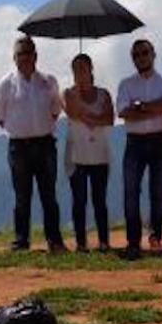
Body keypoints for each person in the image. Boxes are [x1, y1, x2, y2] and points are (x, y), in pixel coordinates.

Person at [0, 36, 65, 252]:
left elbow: (56, 109)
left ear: (36, 56)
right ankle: (21, 240)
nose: (24, 58)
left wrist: (39, 128)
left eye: (28, 53)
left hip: (45, 144)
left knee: (48, 195)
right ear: (14, 58)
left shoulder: (48, 81)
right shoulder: (5, 84)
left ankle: (54, 240)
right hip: (19, 147)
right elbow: (0, 116)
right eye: (20, 54)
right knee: (22, 196)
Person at [116, 39, 162, 260]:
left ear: (153, 54)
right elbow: (122, 112)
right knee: (131, 191)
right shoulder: (126, 84)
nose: (140, 58)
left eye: (144, 53)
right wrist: (153, 107)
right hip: (135, 142)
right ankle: (133, 241)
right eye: (136, 55)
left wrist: (139, 107)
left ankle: (155, 237)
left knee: (157, 191)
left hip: (160, 141)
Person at [62, 53, 115, 252]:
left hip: (99, 153)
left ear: (91, 69)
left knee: (100, 199)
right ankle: (81, 243)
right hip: (76, 154)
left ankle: (103, 241)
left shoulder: (104, 94)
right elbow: (72, 112)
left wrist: (88, 118)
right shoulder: (68, 93)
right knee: (79, 200)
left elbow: (110, 118)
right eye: (75, 69)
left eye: (82, 68)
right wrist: (95, 117)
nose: (79, 72)